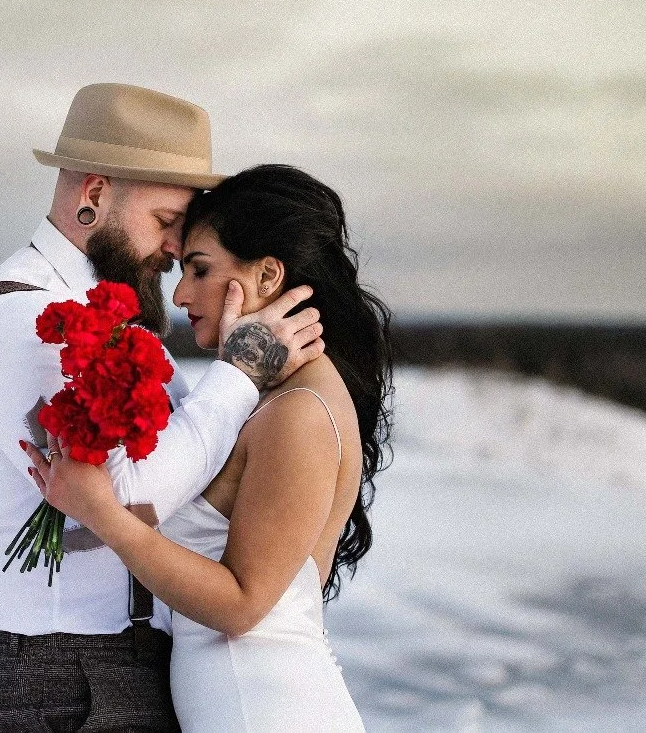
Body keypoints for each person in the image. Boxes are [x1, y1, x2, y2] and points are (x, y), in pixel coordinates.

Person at [0, 84, 325, 732]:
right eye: (166, 221)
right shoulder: (29, 321)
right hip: (69, 679)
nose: (176, 248)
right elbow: (131, 496)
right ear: (93, 196)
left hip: (106, 670)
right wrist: (239, 374)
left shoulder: (111, 313)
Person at [25, 164, 393, 731]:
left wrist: (103, 515)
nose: (179, 292)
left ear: (267, 275)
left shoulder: (298, 412)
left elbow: (244, 606)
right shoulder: (271, 397)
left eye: (200, 270)